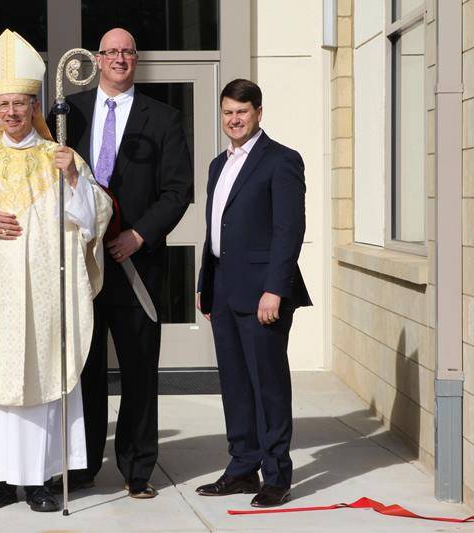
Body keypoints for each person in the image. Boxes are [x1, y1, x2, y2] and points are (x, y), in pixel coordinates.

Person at [0, 29, 112, 513]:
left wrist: (75, 177)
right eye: (5, 105)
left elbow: (95, 216)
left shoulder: (58, 157)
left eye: (21, 104)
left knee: (42, 382)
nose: (13, 113)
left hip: (44, 296)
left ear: (34, 104)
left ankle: (40, 479)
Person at [59, 27, 193, 498]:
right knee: (85, 369)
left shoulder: (164, 117)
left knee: (139, 370)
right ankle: (84, 465)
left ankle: (138, 468)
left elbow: (178, 191)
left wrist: (139, 235)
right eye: (111, 52)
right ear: (97, 59)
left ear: (136, 59)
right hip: (82, 265)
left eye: (127, 52)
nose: (119, 59)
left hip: (137, 264)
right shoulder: (67, 114)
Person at [195, 79, 312, 507]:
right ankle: (242, 467)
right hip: (224, 289)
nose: (234, 119)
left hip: (264, 293)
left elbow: (288, 232)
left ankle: (276, 475)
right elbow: (216, 231)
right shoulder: (216, 165)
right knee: (235, 384)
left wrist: (274, 291)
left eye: (242, 111)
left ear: (259, 113)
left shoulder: (281, 160)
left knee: (269, 386)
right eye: (227, 112)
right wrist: (206, 286)